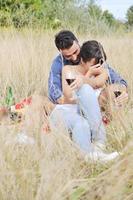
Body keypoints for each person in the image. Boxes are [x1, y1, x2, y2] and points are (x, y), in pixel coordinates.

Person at [48, 32, 128, 161]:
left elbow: (109, 82)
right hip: (67, 110)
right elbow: (68, 96)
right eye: (69, 55)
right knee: (84, 92)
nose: (74, 57)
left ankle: (93, 153)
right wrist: (86, 77)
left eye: (76, 52)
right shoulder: (67, 69)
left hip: (86, 114)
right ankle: (98, 145)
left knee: (82, 123)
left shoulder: (100, 69)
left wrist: (123, 92)